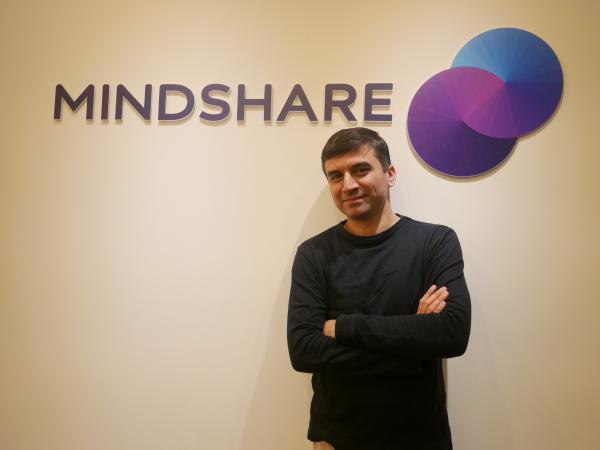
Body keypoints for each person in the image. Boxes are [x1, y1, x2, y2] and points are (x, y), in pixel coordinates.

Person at [287, 127, 471, 450]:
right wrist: (414, 347)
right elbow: (303, 351)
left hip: (421, 438)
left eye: (360, 170)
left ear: (390, 174)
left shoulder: (435, 243)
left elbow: (451, 333)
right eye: (335, 176)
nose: (348, 185)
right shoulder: (313, 254)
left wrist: (344, 327)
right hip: (337, 439)